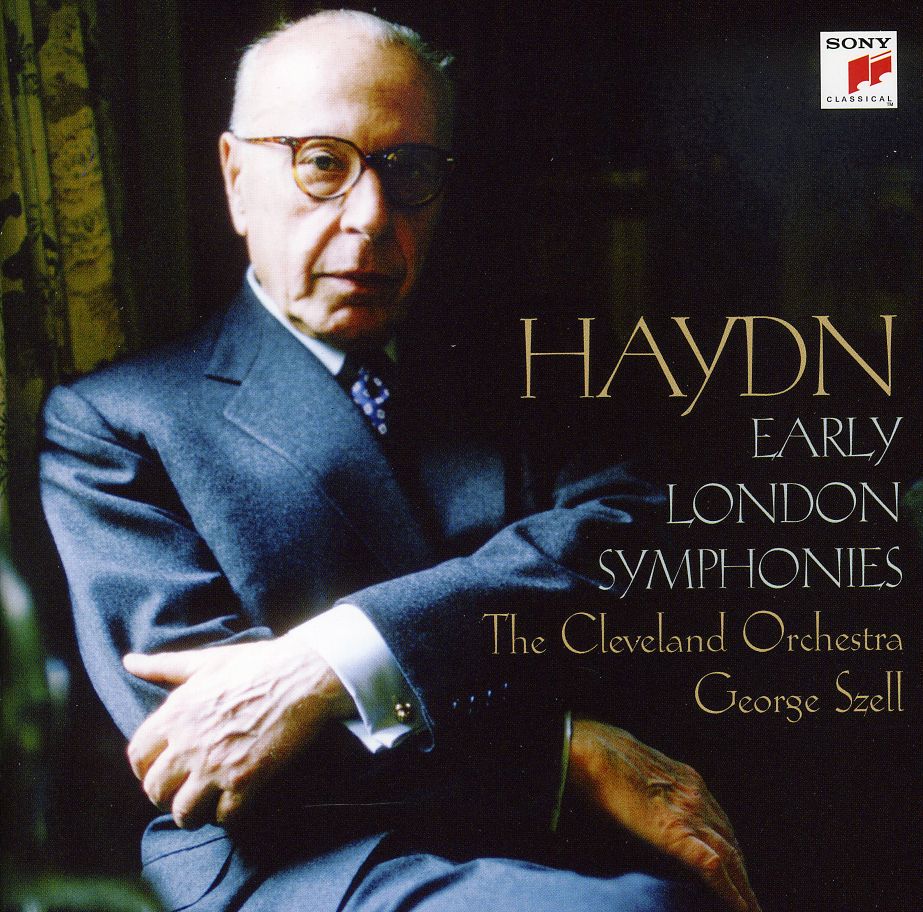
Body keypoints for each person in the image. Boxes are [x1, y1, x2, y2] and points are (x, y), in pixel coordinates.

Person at [39, 11, 759, 912]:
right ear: (236, 179)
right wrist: (558, 756)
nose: (372, 217)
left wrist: (333, 662)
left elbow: (629, 545)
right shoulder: (117, 423)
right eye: (321, 163)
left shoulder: (528, 365)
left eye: (408, 170)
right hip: (302, 861)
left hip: (567, 841)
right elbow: (202, 749)